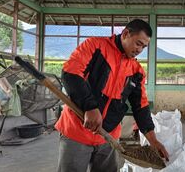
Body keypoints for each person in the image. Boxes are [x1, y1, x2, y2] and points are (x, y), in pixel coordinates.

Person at [55, 19, 169, 172]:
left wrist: (153, 140)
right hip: (77, 131)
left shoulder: (136, 71)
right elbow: (71, 73)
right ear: (126, 34)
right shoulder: (95, 46)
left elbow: (140, 106)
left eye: (144, 46)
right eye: (138, 43)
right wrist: (90, 107)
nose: (139, 50)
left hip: (108, 138)